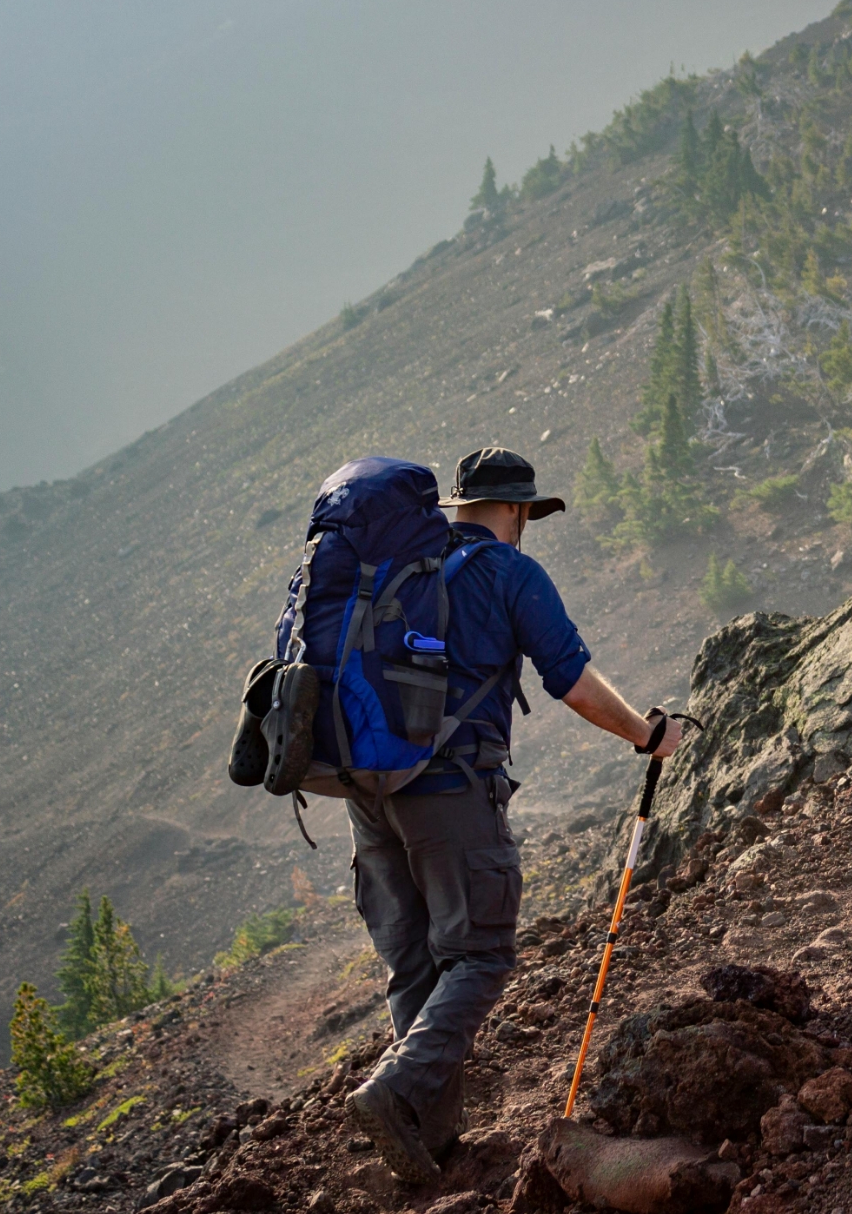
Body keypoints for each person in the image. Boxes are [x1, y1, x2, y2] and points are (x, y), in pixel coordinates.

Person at [342, 447, 682, 1185]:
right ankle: (396, 1093)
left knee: (416, 965)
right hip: (452, 790)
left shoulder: (400, 568)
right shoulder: (510, 573)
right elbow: (575, 683)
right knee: (482, 956)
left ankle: (427, 1148)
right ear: (521, 511)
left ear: (458, 505)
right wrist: (648, 735)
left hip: (368, 794)